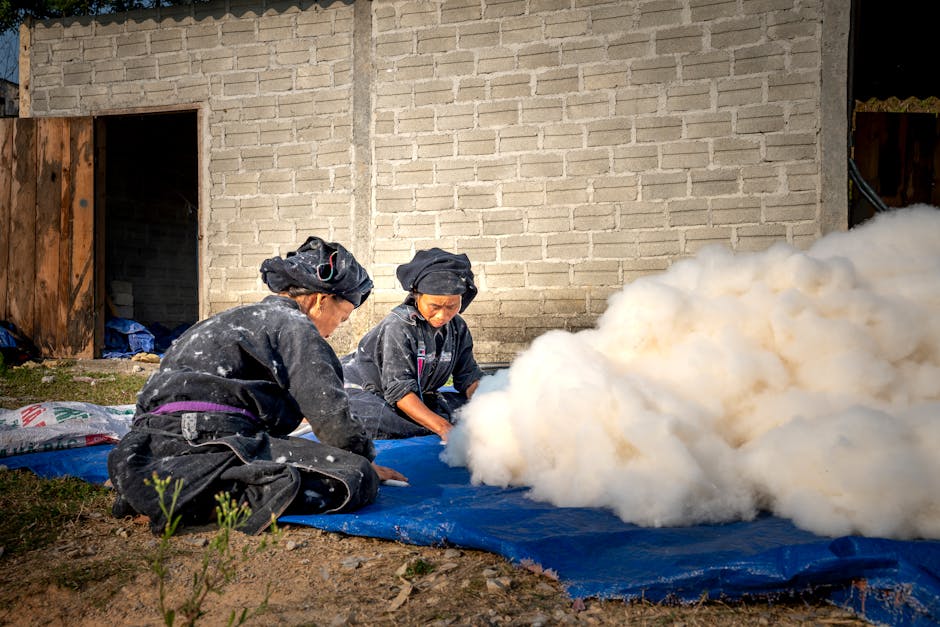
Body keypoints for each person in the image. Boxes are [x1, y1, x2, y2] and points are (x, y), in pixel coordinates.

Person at [107, 236, 406, 536]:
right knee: (355, 478)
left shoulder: (223, 320)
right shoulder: (295, 325)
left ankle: (165, 481)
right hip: (211, 436)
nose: (336, 328)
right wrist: (363, 462)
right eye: (342, 318)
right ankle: (196, 498)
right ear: (320, 300)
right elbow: (333, 418)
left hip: (149, 441)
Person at [342, 248, 484, 442]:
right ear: (417, 296)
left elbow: (468, 376)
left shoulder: (458, 327)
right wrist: (444, 428)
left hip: (414, 396)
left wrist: (486, 408)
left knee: (466, 409)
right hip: (366, 393)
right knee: (374, 417)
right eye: (434, 306)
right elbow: (400, 392)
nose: (443, 316)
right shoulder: (399, 326)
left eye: (452, 306)